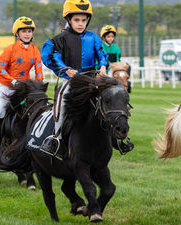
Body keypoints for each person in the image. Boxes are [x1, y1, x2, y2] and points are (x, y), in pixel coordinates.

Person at [41, 0, 133, 154]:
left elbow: (101, 54)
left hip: (92, 79)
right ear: (68, 20)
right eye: (77, 20)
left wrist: (103, 65)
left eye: (84, 20)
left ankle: (117, 139)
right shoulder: (59, 39)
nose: (80, 23)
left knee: (112, 102)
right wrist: (65, 69)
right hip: (71, 81)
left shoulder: (94, 38)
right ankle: (55, 138)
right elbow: (52, 57)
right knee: (62, 103)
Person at [0, 16, 43, 148]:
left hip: (24, 89)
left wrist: (38, 84)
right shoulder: (10, 49)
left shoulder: (34, 50)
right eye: (24, 31)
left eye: (29, 31)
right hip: (7, 87)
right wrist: (13, 80)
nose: (27, 34)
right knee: (0, 112)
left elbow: (39, 70)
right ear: (17, 33)